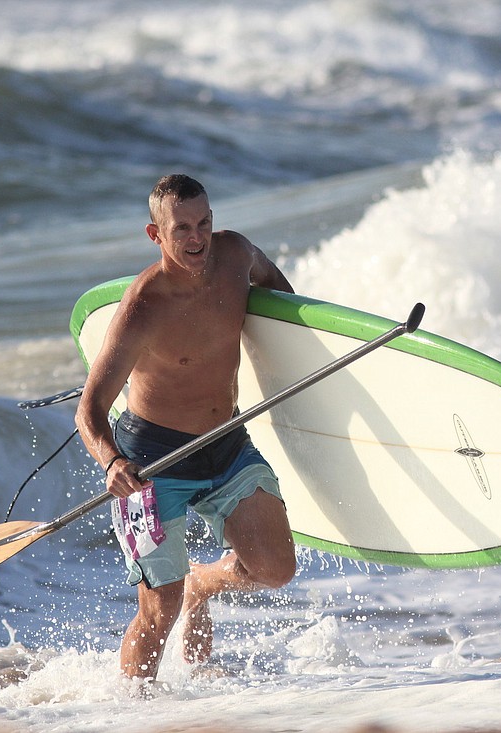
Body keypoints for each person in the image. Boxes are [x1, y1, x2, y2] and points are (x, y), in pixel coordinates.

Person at [75, 174, 297, 682]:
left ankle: (205, 582)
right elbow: (89, 411)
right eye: (182, 229)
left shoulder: (237, 255)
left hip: (227, 444)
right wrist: (111, 462)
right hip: (153, 462)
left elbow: (281, 297)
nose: (197, 238)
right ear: (156, 235)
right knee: (159, 612)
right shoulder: (142, 307)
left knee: (276, 569)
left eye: (204, 222)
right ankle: (136, 712)